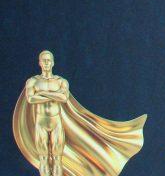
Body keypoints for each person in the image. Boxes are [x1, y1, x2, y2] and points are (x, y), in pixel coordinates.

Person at [13, 51, 146, 176]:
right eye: (44, 60)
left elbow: (63, 98)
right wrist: (54, 95)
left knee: (57, 158)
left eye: (49, 60)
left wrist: (41, 93)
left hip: (56, 122)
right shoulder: (33, 81)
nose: (46, 63)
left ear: (53, 62)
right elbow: (31, 99)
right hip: (41, 122)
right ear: (40, 62)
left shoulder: (61, 81)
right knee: (43, 157)